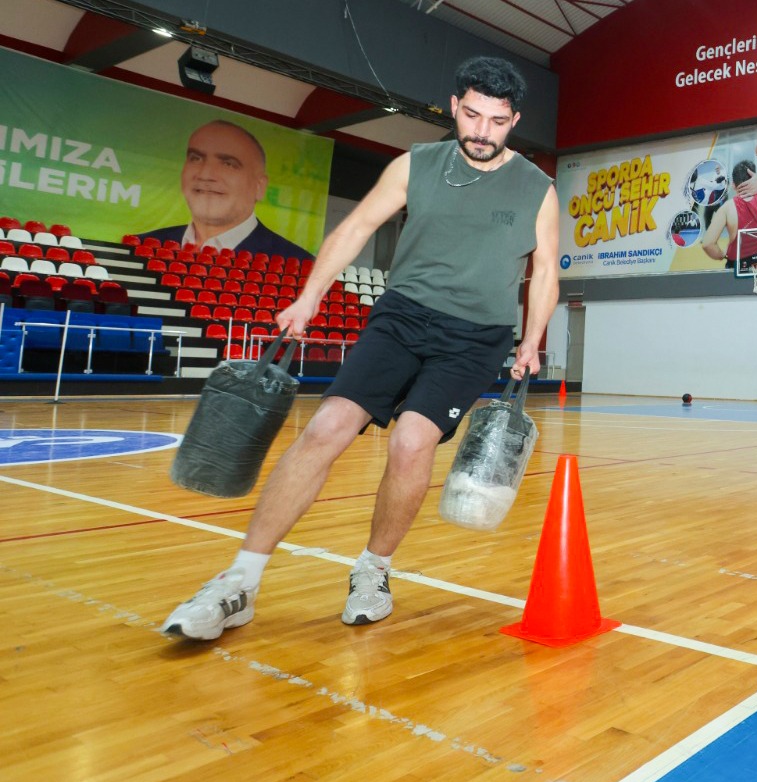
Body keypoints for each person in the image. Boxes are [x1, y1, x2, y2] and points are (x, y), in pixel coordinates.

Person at [162, 56, 560, 640]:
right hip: (402, 316)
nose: (482, 132)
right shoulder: (415, 165)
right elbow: (354, 229)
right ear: (454, 107)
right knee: (326, 427)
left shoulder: (536, 188)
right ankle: (238, 583)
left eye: (497, 122)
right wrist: (308, 297)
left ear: (514, 121)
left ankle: (373, 570)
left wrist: (532, 339)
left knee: (411, 441)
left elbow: (545, 269)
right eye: (472, 116)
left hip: (476, 335)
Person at [138, 120, 314, 260]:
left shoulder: (298, 264)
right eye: (196, 158)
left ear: (259, 186)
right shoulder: (141, 246)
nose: (206, 174)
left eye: (228, 164)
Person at [700, 160, 757, 269]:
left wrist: (722, 255)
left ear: (733, 185)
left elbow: (707, 244)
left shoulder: (726, 208)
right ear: (754, 178)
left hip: (738, 263)